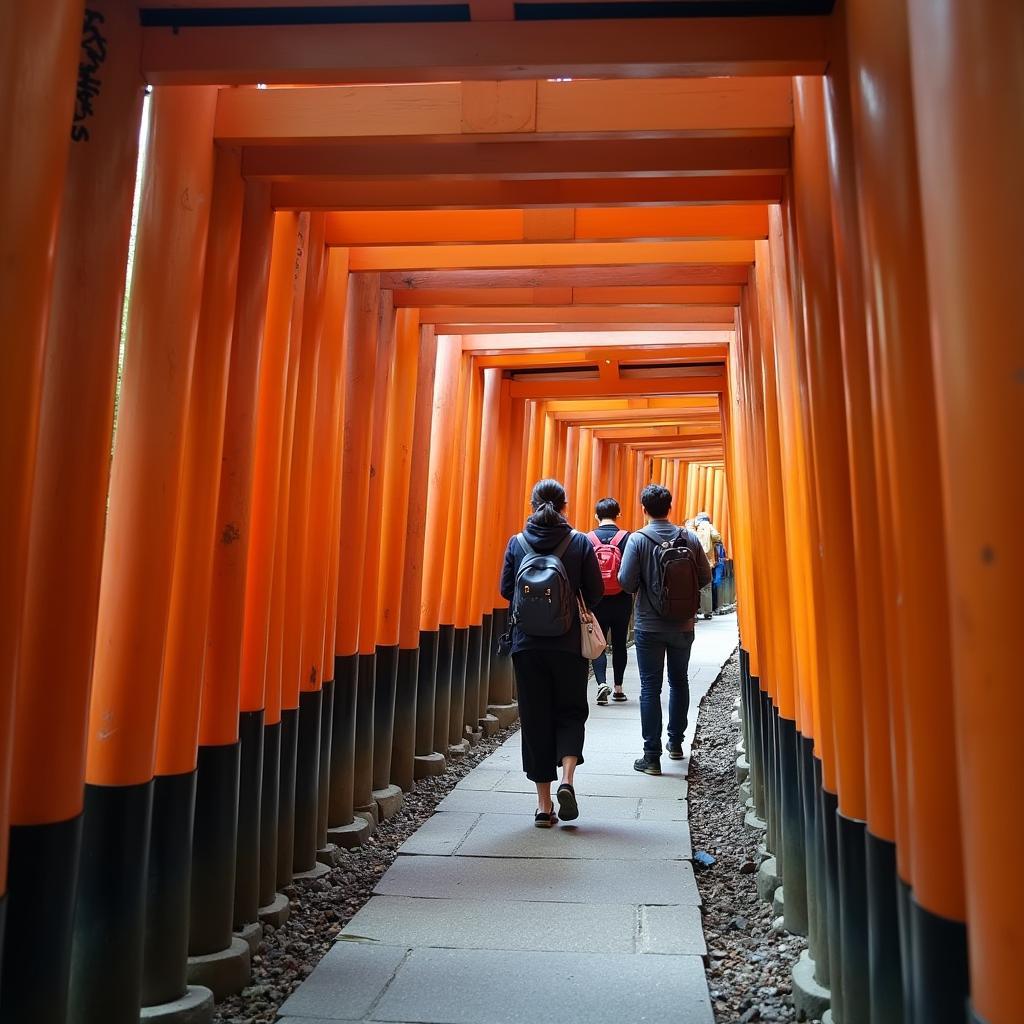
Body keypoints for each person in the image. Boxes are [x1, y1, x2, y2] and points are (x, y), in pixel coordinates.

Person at [500, 479, 604, 827]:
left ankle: (544, 807)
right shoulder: (579, 542)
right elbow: (596, 591)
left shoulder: (516, 543)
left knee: (534, 720)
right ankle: (568, 780)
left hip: (527, 645)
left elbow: (505, 590)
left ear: (532, 505)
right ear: (565, 506)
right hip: (568, 643)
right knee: (572, 711)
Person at [618, 484, 711, 776]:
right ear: (669, 508)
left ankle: (651, 756)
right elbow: (705, 577)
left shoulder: (638, 540)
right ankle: (675, 743)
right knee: (679, 681)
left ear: (643, 509)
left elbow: (626, 582)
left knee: (650, 687)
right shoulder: (690, 538)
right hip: (683, 624)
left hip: (649, 625)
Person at [587, 497, 632, 706]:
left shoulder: (588, 539)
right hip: (621, 599)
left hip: (597, 600)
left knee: (598, 644)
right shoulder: (627, 538)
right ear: (618, 515)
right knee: (620, 643)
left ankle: (601, 684)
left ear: (596, 516)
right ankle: (619, 689)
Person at [695, 512, 723, 619]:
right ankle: (708, 612)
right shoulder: (708, 526)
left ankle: (696, 611)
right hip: (707, 560)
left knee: (695, 585)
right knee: (707, 585)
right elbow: (716, 536)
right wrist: (713, 543)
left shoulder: (694, 528)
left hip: (696, 559)